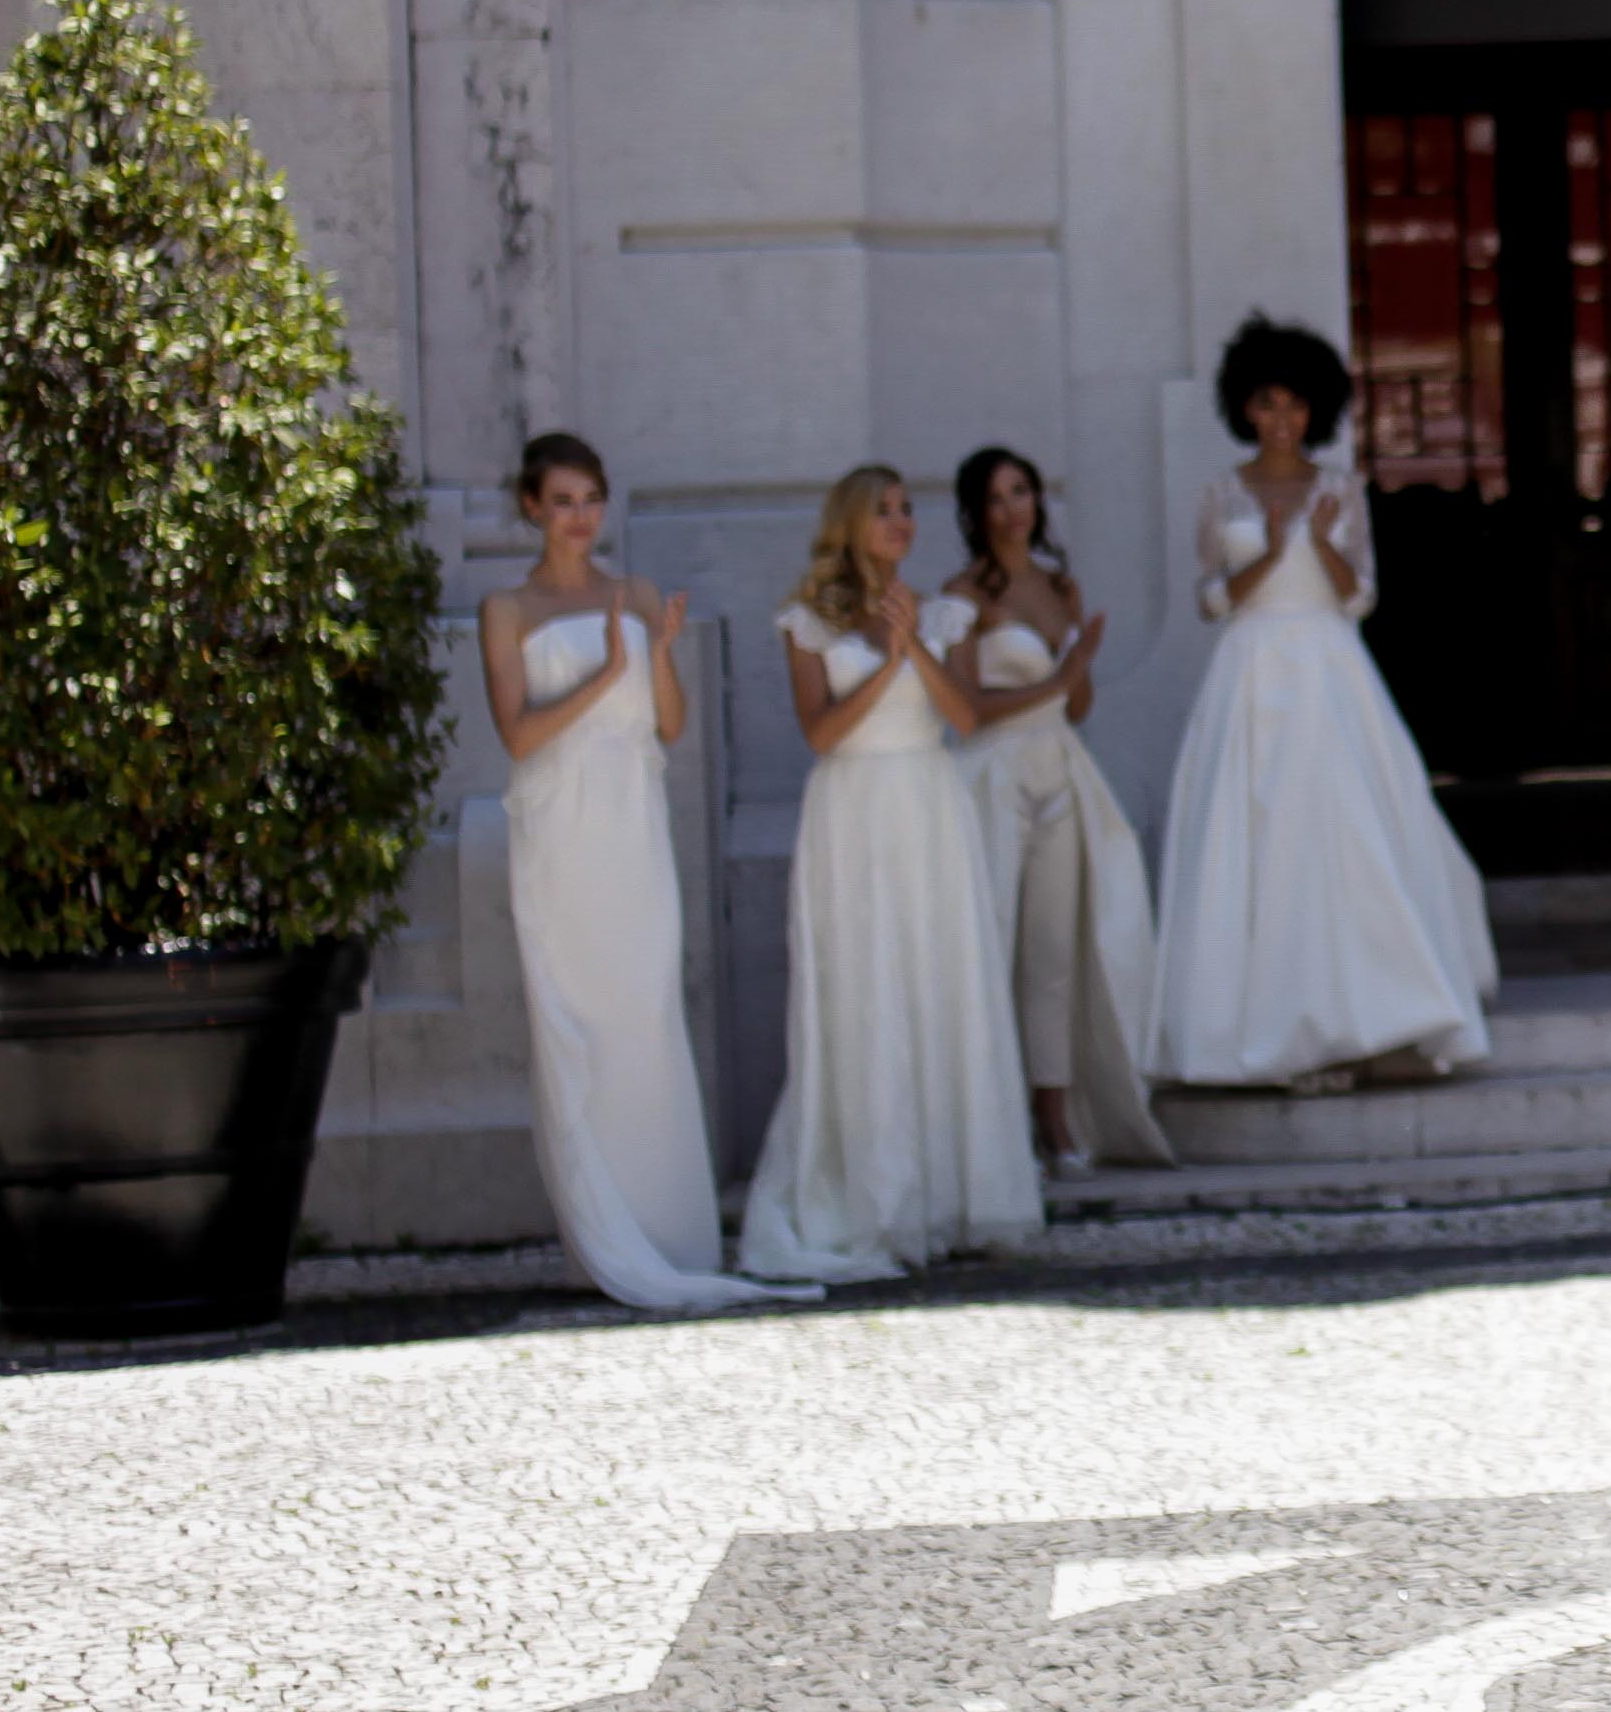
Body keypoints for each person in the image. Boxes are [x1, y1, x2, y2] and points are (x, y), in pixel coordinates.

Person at [477, 434, 788, 1312]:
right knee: (579, 1017)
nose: (580, 517)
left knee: (647, 1011)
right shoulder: (508, 607)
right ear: (532, 507)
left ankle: (668, 1233)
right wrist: (606, 669)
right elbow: (520, 735)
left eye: (592, 499)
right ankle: (601, 1238)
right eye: (563, 500)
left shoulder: (638, 593)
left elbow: (671, 726)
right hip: (560, 827)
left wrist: (652, 656)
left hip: (631, 821)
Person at [1153, 317, 1496, 1086]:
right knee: (1259, 843)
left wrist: (1324, 542)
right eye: (1269, 403)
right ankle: (1265, 1029)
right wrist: (1274, 549)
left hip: (1331, 674)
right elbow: (1212, 600)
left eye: (1297, 405)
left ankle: (1379, 1012)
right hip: (1250, 674)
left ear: (1318, 411)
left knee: (1352, 834)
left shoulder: (1340, 490)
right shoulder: (1221, 491)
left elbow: (1361, 597)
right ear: (1245, 406)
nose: (1282, 419)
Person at [738, 466, 1044, 1283]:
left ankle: (953, 1194)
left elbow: (966, 715)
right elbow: (820, 732)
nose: (902, 522)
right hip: (853, 810)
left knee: (938, 981)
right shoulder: (808, 620)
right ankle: (872, 1193)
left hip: (928, 804)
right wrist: (884, 663)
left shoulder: (945, 612)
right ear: (851, 523)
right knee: (864, 985)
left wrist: (916, 645)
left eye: (909, 510)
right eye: (885, 511)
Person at [934, 446, 1168, 1171]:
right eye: (997, 497)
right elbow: (967, 710)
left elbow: (1079, 703)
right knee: (992, 942)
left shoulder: (1062, 587)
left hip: (1059, 769)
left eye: (1023, 492)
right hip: (993, 774)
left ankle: (1057, 1122)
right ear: (975, 514)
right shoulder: (965, 593)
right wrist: (1060, 676)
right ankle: (989, 1121)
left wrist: (1077, 672)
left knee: (1053, 952)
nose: (1013, 509)